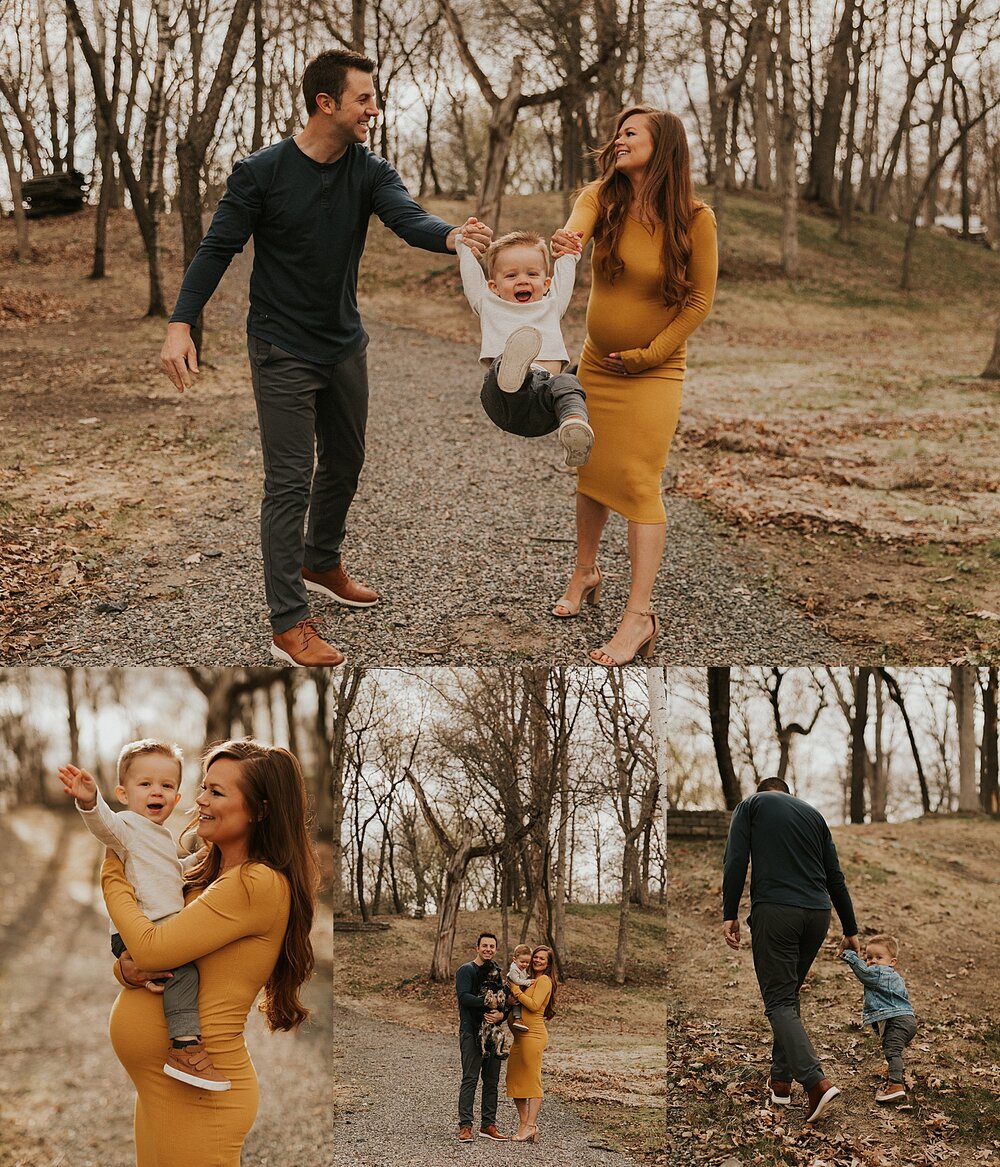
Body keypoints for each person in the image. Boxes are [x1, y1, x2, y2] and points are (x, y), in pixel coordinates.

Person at [159, 49, 492, 667]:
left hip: (343, 343)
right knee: (289, 481)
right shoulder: (259, 173)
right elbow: (216, 250)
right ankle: (288, 622)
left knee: (345, 460)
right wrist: (181, 324)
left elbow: (408, 217)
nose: (374, 109)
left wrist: (452, 237)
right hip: (281, 345)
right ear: (326, 103)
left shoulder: (369, 170)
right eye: (364, 99)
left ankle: (321, 558)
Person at [100, 738, 320, 1167]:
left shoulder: (257, 882)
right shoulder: (207, 869)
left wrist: (112, 872)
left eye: (216, 792)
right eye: (203, 786)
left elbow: (152, 945)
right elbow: (147, 952)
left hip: (201, 1096)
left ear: (260, 810)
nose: (199, 799)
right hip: (164, 1084)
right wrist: (126, 971)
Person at [550, 107, 718, 665]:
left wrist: (648, 355)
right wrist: (567, 244)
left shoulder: (696, 218)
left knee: (640, 480)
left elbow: (698, 302)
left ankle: (639, 616)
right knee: (591, 469)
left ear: (662, 145)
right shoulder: (602, 197)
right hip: (597, 363)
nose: (618, 140)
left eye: (631, 133)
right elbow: (575, 230)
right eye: (617, 132)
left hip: (655, 370)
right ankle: (585, 572)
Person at [57, 740, 229, 1090]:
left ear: (177, 798)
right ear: (123, 792)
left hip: (155, 923)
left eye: (167, 786)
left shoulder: (161, 837)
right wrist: (90, 802)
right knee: (185, 972)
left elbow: (169, 873)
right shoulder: (128, 825)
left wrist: (199, 860)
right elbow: (105, 827)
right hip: (143, 926)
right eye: (145, 784)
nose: (157, 792)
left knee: (178, 972)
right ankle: (184, 1045)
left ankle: (171, 1019)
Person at [722, 777, 859, 1125]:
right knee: (788, 996)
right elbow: (835, 876)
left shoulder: (751, 805)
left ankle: (815, 1082)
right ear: (786, 791)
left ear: (764, 789)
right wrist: (850, 928)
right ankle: (780, 1083)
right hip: (818, 914)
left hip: (777, 912)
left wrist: (729, 913)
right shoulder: (814, 815)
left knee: (779, 1001)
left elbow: (736, 859)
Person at [458, 227, 594, 467]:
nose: (522, 280)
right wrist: (464, 244)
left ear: (546, 282)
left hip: (544, 406)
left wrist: (569, 255)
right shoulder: (488, 304)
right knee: (501, 366)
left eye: (532, 274)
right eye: (511, 276)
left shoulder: (552, 305)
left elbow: (565, 271)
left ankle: (575, 426)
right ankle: (515, 371)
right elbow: (470, 275)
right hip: (504, 402)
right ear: (493, 286)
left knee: (567, 383)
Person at [840, 933, 918, 1104]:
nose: (873, 961)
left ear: (892, 962)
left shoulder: (880, 973)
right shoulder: (895, 977)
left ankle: (896, 1085)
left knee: (892, 1051)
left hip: (898, 1021)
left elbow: (864, 973)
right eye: (869, 957)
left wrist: (849, 955)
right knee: (891, 1049)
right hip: (906, 1020)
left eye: (879, 957)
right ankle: (896, 1075)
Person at [455, 932, 509, 1142]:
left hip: (493, 1033)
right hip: (471, 1032)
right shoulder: (466, 970)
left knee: (492, 1081)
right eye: (484, 945)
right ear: (477, 947)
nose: (488, 949)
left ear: (496, 949)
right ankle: (465, 1126)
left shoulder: (496, 973)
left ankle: (488, 1125)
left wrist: (501, 1013)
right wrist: (489, 1003)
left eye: (492, 946)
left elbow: (503, 1001)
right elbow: (464, 997)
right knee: (470, 1079)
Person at [504, 944, 556, 1143]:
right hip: (519, 1037)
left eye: (542, 958)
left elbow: (533, 1006)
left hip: (533, 1035)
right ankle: (525, 1124)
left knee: (532, 1080)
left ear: (549, 963)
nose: (537, 960)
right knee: (515, 1078)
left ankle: (531, 1125)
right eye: (536, 957)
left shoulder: (544, 981)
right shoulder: (526, 977)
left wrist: (515, 990)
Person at [505, 943, 533, 1033]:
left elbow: (523, 975)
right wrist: (528, 982)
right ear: (514, 959)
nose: (525, 964)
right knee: (516, 1001)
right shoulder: (514, 969)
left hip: (516, 987)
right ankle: (517, 1019)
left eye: (527, 962)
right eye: (522, 962)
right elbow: (516, 981)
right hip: (509, 989)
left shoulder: (521, 966)